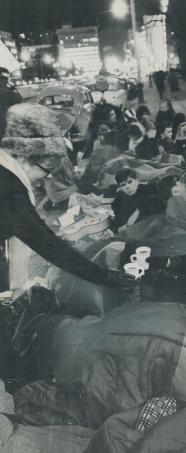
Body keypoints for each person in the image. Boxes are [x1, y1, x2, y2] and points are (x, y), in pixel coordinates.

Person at [0, 103, 133, 384]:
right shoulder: (9, 187)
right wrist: (105, 277)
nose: (47, 177)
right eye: (46, 169)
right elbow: (49, 246)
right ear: (24, 157)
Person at [111, 168, 165, 233]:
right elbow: (116, 226)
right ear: (120, 188)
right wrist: (125, 227)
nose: (128, 187)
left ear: (137, 181)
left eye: (130, 182)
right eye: (123, 185)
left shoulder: (150, 192)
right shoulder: (119, 202)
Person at [0, 67, 22, 140]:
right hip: (4, 124)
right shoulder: (8, 92)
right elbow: (19, 101)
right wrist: (14, 89)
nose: (7, 81)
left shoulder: (8, 92)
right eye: (5, 79)